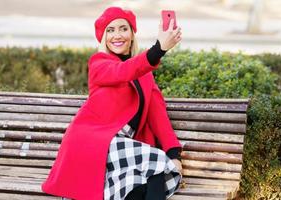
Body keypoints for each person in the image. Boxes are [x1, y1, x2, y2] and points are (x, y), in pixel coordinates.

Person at [41, 6, 183, 200]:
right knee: (157, 162)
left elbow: (158, 116)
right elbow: (123, 71)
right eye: (110, 30)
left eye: (123, 29)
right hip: (92, 141)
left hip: (121, 149)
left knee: (138, 185)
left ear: (132, 35)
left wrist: (174, 153)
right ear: (103, 38)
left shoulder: (145, 75)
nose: (117, 35)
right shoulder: (99, 63)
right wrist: (159, 49)